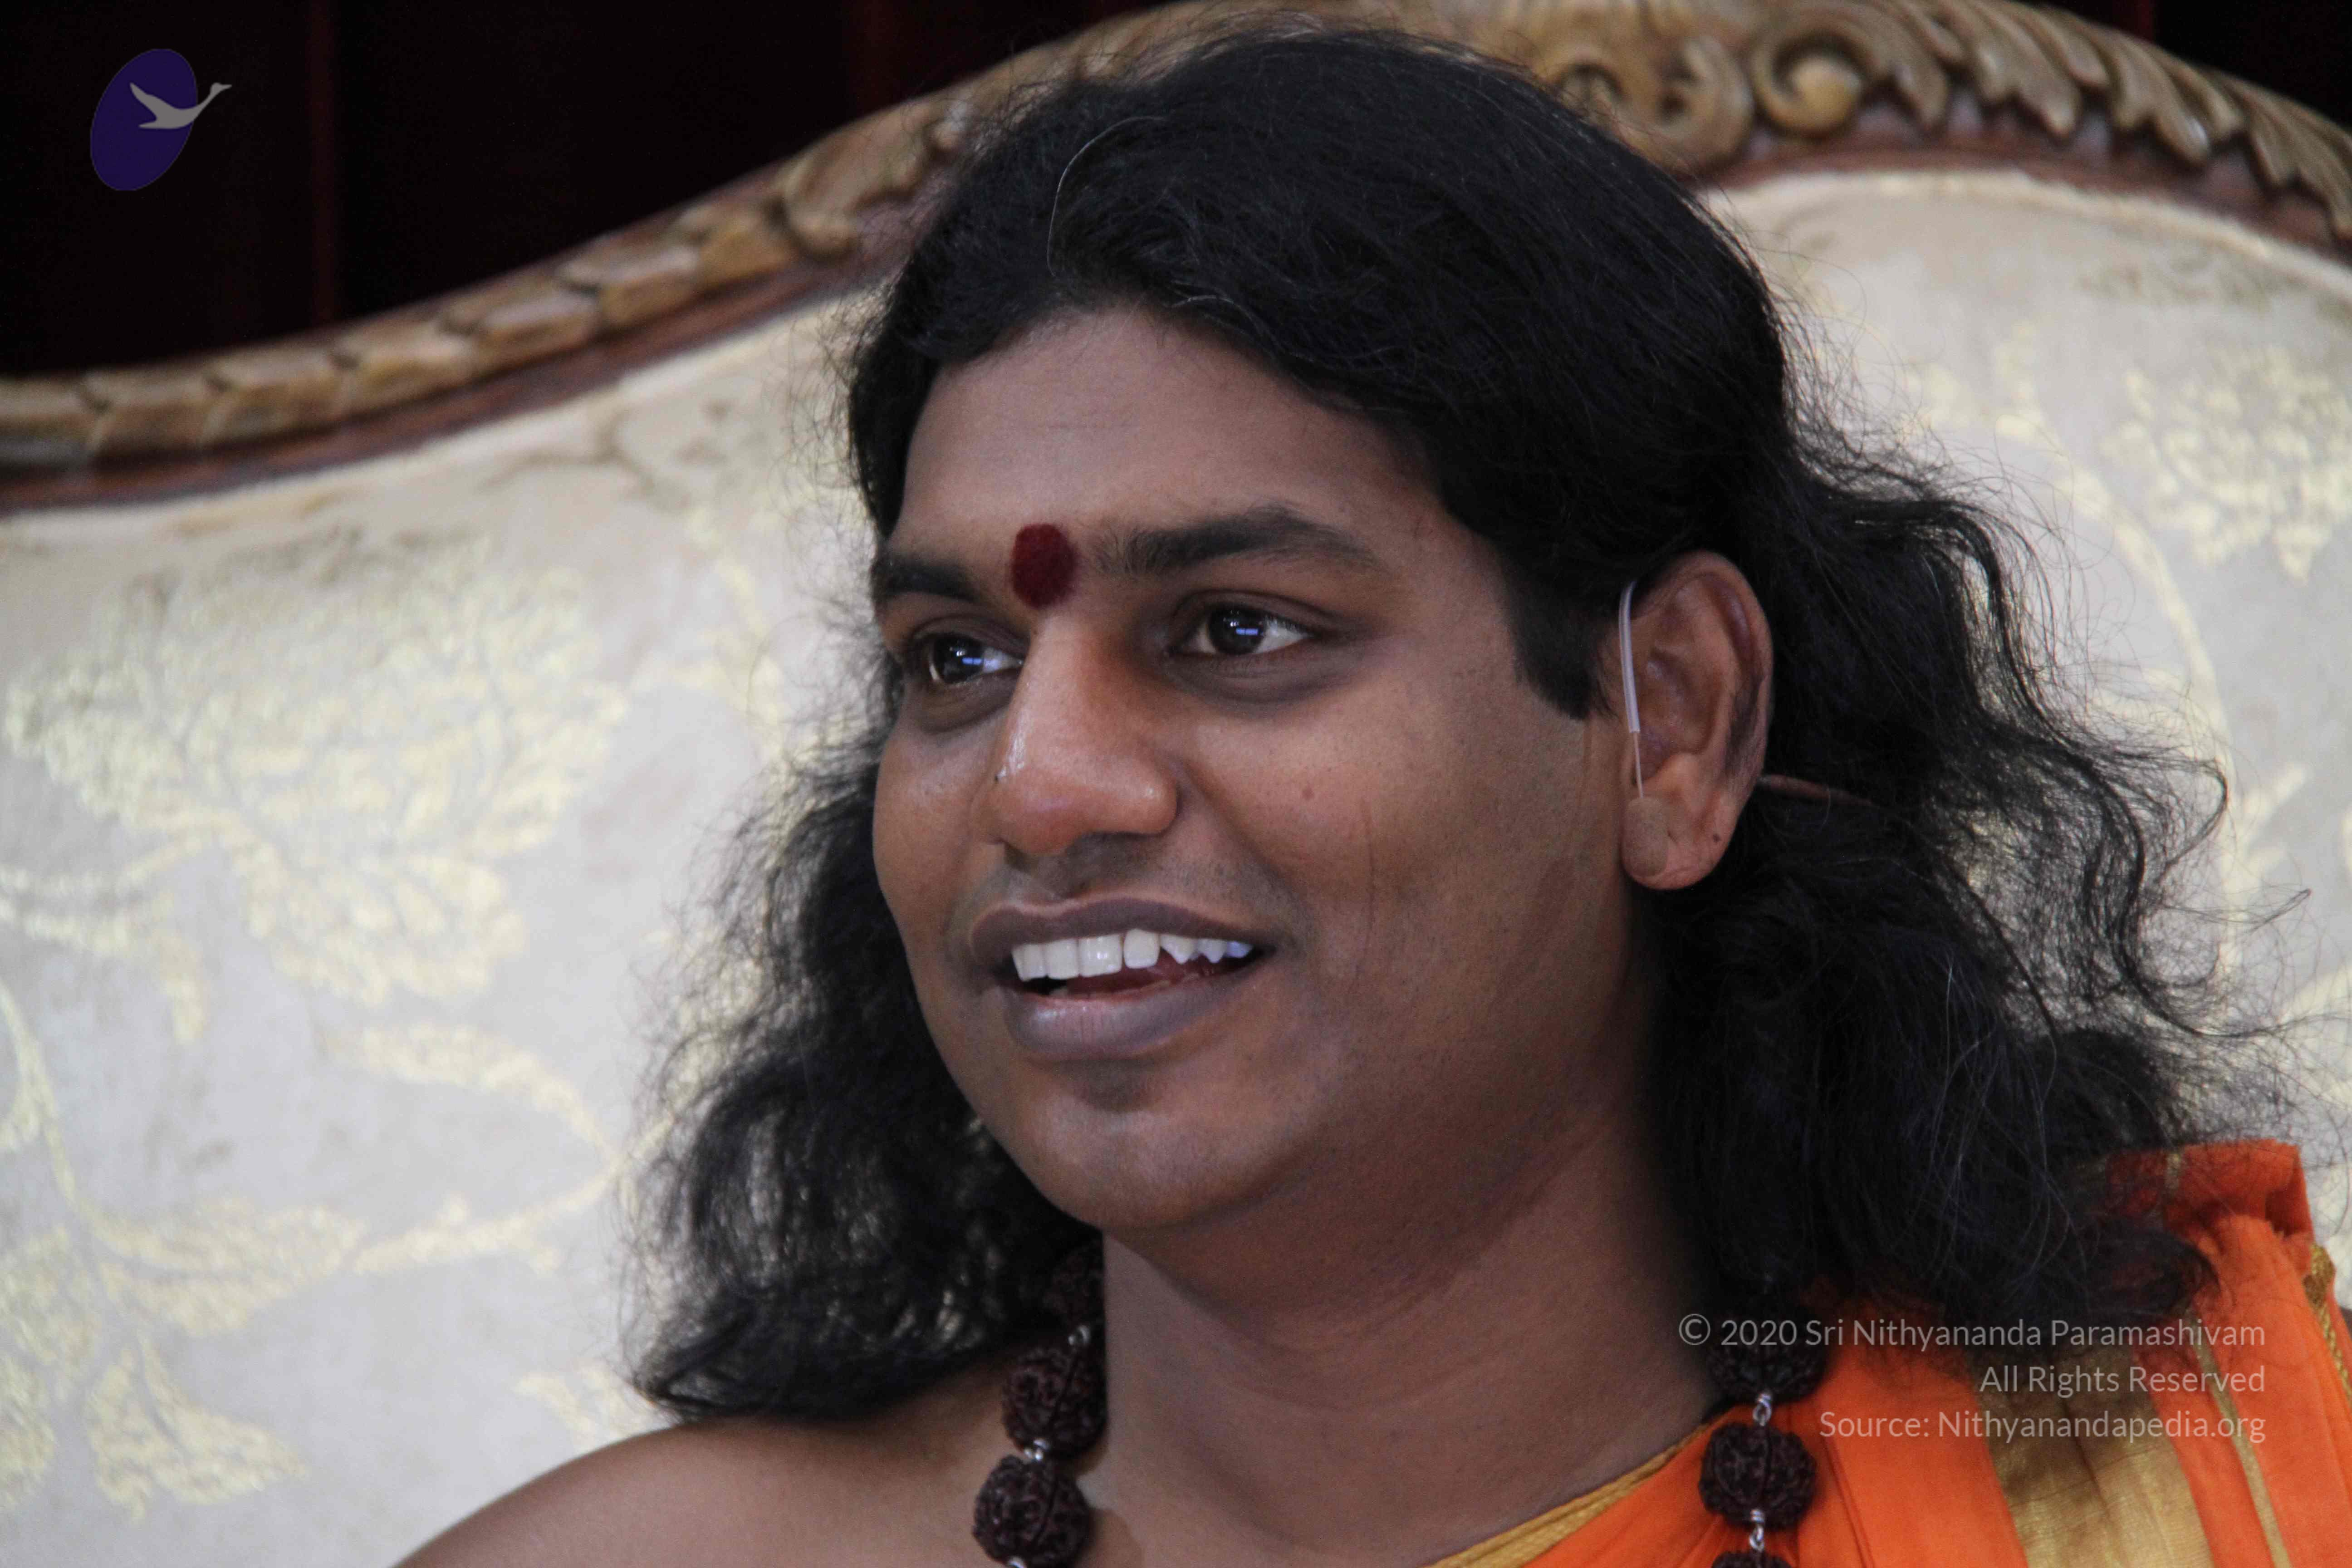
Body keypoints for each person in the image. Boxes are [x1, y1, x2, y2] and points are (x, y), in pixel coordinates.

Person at [400, 21, 2352, 1568]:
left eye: (1237, 630)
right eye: (955, 659)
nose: (1041, 784)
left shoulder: (2185, 1487)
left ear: (1672, 723)